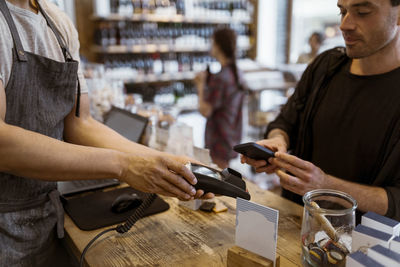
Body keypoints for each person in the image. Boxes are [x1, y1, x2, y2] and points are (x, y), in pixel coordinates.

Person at [0, 0, 213, 265]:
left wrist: (164, 162)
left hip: (48, 216)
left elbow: (80, 124)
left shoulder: (57, 22)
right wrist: (123, 166)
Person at [242, 0, 400, 221]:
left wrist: (325, 186)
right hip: (294, 223)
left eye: (362, 12)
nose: (345, 25)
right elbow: (285, 123)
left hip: (364, 247)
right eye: (342, 11)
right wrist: (277, 143)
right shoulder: (326, 66)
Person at [194, 28, 246, 169]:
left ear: (218, 46)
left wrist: (200, 85)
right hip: (231, 135)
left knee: (217, 175)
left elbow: (205, 111)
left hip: (219, 139)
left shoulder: (221, 78)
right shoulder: (236, 73)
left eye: (212, 42)